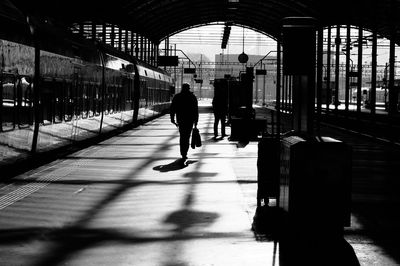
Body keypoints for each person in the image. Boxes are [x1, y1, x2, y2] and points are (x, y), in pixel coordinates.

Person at [170, 83, 199, 161]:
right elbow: (196, 110)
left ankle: (183, 152)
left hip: (181, 120)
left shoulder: (177, 97)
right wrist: (196, 121)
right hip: (190, 120)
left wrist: (172, 118)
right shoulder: (192, 97)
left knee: (182, 136)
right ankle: (185, 152)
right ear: (188, 89)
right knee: (187, 136)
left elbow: (172, 108)